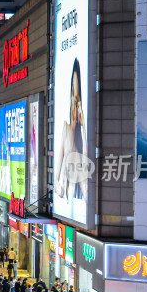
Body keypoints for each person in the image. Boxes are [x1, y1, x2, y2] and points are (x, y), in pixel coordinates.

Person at [54, 58, 88, 210]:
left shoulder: (86, 133)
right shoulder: (66, 130)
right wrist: (59, 184)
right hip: (67, 200)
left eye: (78, 98)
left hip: (83, 201)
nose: (75, 102)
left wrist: (84, 127)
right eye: (73, 95)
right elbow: (56, 179)